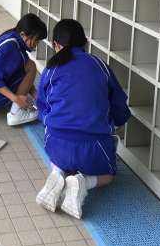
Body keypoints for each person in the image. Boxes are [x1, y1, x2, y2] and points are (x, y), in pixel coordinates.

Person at [36, 19, 131, 219]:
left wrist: (50, 121)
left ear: (55, 44)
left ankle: (57, 174)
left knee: (58, 151)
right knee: (110, 175)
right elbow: (120, 106)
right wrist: (116, 122)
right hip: (93, 146)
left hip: (56, 144)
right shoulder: (100, 66)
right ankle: (83, 182)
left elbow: (42, 107)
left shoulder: (51, 69)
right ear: (85, 42)